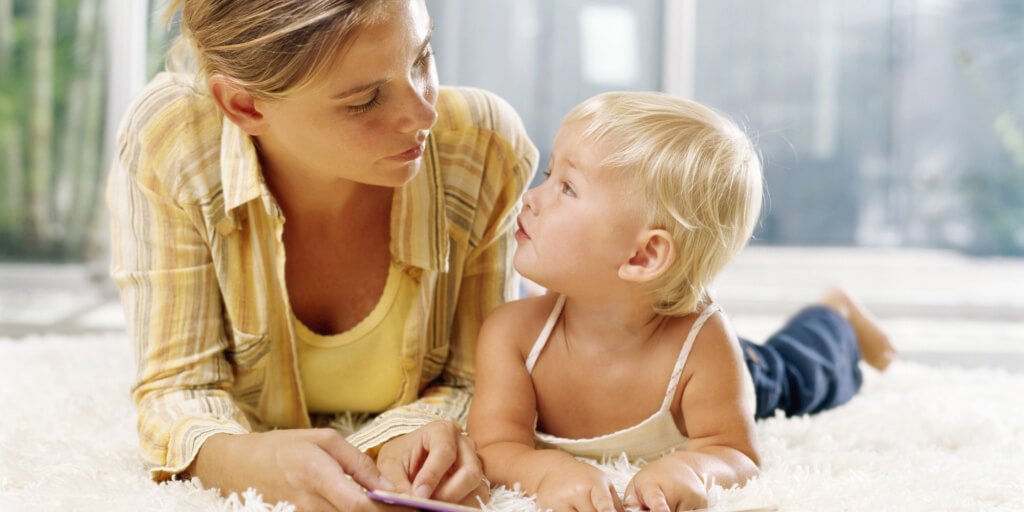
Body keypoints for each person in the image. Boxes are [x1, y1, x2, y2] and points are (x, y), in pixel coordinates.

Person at [107, 1, 537, 510]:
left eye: (422, 57)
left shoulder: (481, 147)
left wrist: (403, 440)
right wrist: (244, 461)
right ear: (244, 107)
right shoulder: (174, 139)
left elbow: (476, 379)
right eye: (365, 100)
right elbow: (176, 387)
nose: (424, 112)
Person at [467, 92, 896, 512]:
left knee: (799, 377)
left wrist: (691, 470)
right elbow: (495, 444)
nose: (531, 198)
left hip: (739, 371)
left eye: (567, 188)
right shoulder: (513, 334)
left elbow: (735, 453)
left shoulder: (705, 347)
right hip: (654, 323)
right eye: (548, 174)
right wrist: (547, 473)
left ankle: (836, 317)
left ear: (643, 255)